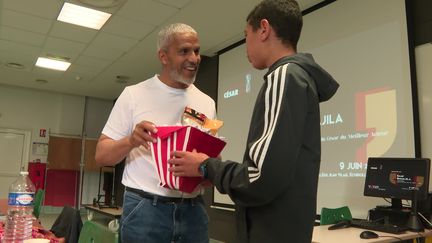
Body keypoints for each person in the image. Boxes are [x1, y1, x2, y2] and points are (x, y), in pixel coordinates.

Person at [168, 1, 340, 242]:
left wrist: (206, 165)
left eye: (246, 35)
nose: (245, 45)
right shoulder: (299, 78)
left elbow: (259, 178)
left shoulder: (284, 76)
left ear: (264, 29)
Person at [95, 23, 215, 243]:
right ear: (163, 56)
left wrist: (207, 174)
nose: (194, 58)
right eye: (184, 51)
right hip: (145, 210)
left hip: (193, 210)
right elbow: (102, 155)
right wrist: (131, 140)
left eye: (196, 51)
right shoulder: (133, 95)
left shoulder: (207, 102)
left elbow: (209, 159)